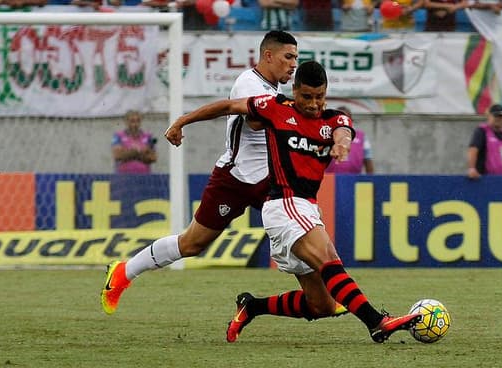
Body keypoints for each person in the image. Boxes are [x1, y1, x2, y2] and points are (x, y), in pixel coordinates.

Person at [164, 60, 422, 343]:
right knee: (329, 260)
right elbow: (228, 107)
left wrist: (342, 144)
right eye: (307, 97)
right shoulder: (274, 108)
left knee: (321, 305)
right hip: (284, 205)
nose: (313, 104)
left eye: (320, 97)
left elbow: (344, 131)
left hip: (306, 209)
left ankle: (253, 306)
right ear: (294, 90)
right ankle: (377, 322)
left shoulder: (334, 119)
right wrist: (182, 121)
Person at [101, 31, 344, 316]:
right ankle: (123, 273)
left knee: (302, 236)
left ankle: (322, 297)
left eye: (295, 58)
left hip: (272, 182)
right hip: (235, 179)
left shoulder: (278, 94)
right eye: (288, 57)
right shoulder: (249, 83)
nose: (293, 64)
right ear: (268, 55)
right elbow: (255, 122)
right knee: (192, 243)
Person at [467, 103, 502, 179]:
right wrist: (471, 168)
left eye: (501, 116)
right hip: (487, 179)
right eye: (495, 115)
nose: (498, 118)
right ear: (489, 116)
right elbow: (473, 150)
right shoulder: (482, 131)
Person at [325, 106, 374, 174]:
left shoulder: (361, 137)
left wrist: (371, 180)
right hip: (330, 180)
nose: (343, 123)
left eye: (346, 119)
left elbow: (368, 159)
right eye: (340, 119)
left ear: (351, 120)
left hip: (354, 180)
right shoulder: (326, 135)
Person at [112, 110, 157, 174]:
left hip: (144, 177)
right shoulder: (118, 136)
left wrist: (128, 152)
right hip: (123, 177)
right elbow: (117, 156)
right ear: (126, 122)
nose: (135, 124)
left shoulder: (148, 136)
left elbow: (153, 158)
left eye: (138, 121)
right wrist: (140, 152)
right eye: (132, 121)